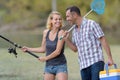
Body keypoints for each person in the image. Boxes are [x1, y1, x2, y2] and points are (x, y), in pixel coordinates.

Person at [63, 6, 114, 80]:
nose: (67, 19)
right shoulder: (74, 31)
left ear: (74, 15)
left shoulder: (91, 24)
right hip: (83, 65)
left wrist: (110, 58)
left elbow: (103, 40)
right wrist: (66, 39)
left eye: (68, 16)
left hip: (96, 62)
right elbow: (75, 49)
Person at [22, 11, 68, 80]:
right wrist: (28, 49)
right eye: (56, 19)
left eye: (60, 19)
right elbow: (43, 49)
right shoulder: (46, 32)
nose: (58, 21)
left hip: (60, 65)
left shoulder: (61, 33)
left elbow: (58, 51)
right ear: (51, 20)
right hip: (49, 66)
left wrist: (45, 58)